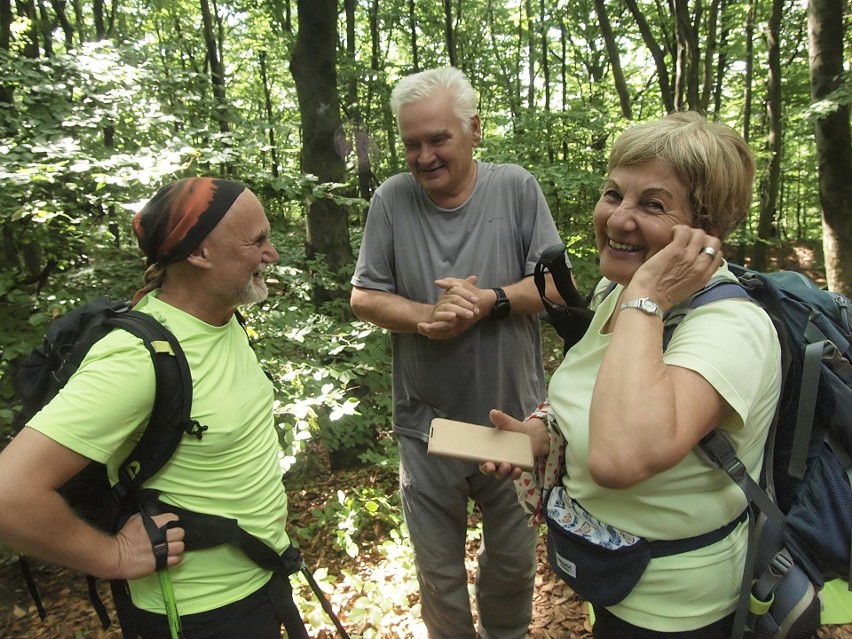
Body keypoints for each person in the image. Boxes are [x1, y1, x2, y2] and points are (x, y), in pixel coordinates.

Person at [481, 112, 782, 638]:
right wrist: (542, 434)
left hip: (680, 613)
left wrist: (646, 296)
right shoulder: (621, 296)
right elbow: (605, 397)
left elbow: (621, 457)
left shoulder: (729, 326)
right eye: (613, 193)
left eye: (652, 204)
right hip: (615, 579)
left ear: (706, 231)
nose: (618, 218)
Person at [0, 177, 309, 639]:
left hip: (262, 584)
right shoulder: (136, 359)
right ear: (199, 254)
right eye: (257, 241)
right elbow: (9, 496)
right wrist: (116, 557)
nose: (273, 254)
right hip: (197, 615)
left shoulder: (222, 320)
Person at [350, 66, 562, 639]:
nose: (424, 156)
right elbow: (363, 295)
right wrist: (427, 319)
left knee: (513, 567)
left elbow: (559, 288)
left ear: (473, 130)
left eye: (437, 139)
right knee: (438, 574)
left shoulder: (516, 188)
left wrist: (488, 301)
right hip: (429, 427)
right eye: (411, 143)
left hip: (511, 423)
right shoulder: (392, 201)